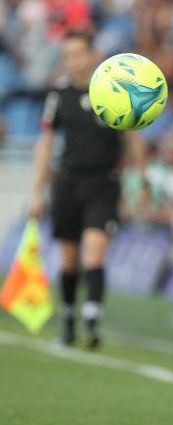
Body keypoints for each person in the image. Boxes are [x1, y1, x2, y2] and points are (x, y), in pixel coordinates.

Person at [28, 30, 146, 349]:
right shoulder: (59, 96)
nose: (74, 61)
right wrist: (38, 192)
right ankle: (68, 320)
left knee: (94, 251)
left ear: (94, 55)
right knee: (68, 259)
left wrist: (140, 182)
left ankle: (92, 319)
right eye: (68, 56)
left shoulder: (114, 91)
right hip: (68, 181)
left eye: (79, 54)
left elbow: (134, 138)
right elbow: (46, 144)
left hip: (103, 183)